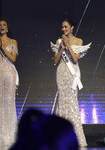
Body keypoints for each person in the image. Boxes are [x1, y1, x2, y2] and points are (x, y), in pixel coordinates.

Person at [51, 18, 91, 147]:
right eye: (62, 27)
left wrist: (68, 45)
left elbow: (74, 59)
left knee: (72, 101)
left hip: (72, 73)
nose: (64, 29)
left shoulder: (78, 41)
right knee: (62, 101)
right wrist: (61, 48)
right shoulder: (58, 41)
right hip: (61, 72)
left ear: (72, 27)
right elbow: (55, 61)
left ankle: (75, 136)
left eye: (66, 27)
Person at [0, 19, 18, 147]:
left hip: (9, 72)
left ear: (7, 28)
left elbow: (13, 58)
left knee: (9, 101)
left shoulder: (13, 42)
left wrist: (4, 48)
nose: (2, 27)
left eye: (4, 25)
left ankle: (9, 133)